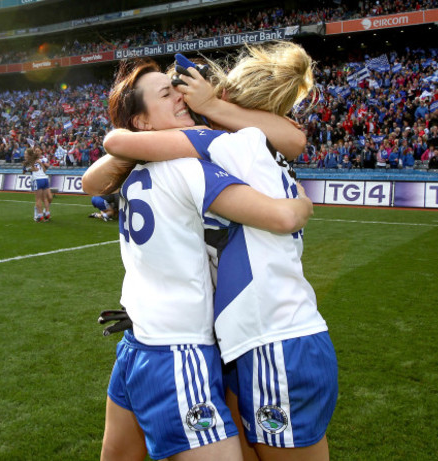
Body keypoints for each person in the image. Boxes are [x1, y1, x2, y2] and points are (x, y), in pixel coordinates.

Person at [96, 42, 338, 461]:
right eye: (168, 92)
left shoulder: (205, 152)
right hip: (219, 340)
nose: (182, 95)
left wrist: (143, 134)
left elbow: (103, 164)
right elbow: (289, 168)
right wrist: (301, 202)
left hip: (225, 337)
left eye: (181, 88)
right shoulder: (218, 154)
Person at [23, 147, 50, 222]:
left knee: (38, 199)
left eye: (26, 154)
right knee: (44, 198)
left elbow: (34, 169)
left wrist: (29, 167)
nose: (25, 155)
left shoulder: (29, 162)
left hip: (37, 179)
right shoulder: (39, 160)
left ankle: (40, 216)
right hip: (45, 178)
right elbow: (43, 170)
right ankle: (47, 213)